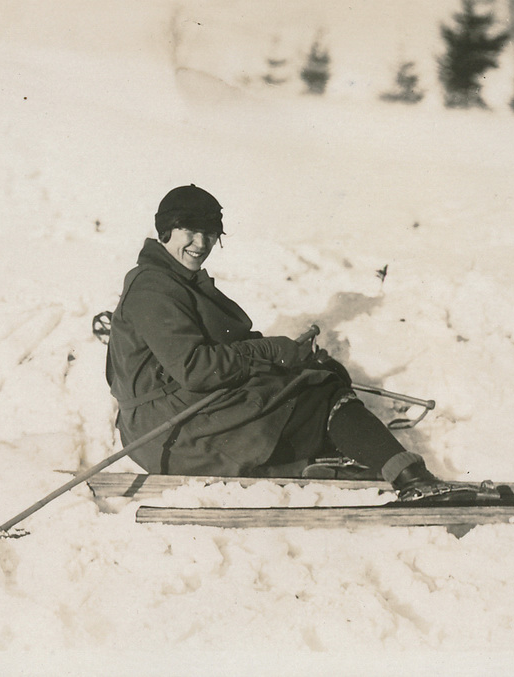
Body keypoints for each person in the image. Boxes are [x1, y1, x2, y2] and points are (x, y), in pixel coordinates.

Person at [105, 185, 469, 502]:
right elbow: (197, 368)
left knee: (317, 374)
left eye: (210, 233)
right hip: (168, 430)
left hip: (178, 417)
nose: (201, 244)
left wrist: (285, 356)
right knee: (321, 391)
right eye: (191, 230)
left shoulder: (175, 279)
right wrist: (271, 352)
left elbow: (224, 346)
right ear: (167, 229)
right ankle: (411, 479)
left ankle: (319, 464)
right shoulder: (154, 287)